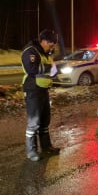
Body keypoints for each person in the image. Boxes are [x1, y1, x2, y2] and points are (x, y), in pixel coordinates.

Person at [21, 29, 60, 161]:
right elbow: (31, 69)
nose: (52, 46)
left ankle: (46, 147)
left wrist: (54, 72)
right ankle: (31, 151)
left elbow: (50, 69)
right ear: (43, 41)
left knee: (44, 120)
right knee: (34, 122)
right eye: (51, 43)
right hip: (33, 89)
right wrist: (50, 68)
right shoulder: (31, 51)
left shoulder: (46, 53)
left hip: (43, 89)